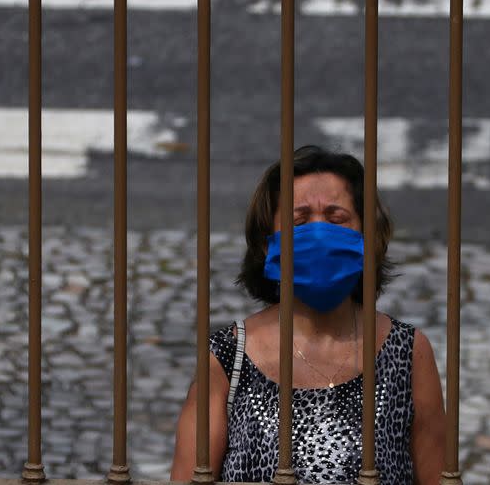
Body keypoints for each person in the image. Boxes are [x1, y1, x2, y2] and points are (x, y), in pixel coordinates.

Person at [170, 145, 445, 484]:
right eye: (299, 220)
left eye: (336, 218)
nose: (319, 233)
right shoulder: (228, 357)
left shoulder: (408, 351)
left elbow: (436, 476)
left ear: (367, 234)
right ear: (267, 244)